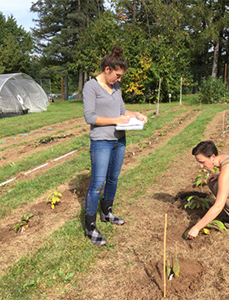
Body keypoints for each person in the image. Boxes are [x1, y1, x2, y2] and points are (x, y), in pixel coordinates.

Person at [83, 46, 148, 246]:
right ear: (107, 69)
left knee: (113, 179)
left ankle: (106, 212)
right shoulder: (90, 87)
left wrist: (136, 114)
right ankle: (90, 227)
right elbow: (90, 117)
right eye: (117, 76)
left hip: (119, 140)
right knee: (97, 184)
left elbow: (122, 111)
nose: (119, 80)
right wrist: (115, 120)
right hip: (102, 141)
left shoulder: (116, 88)